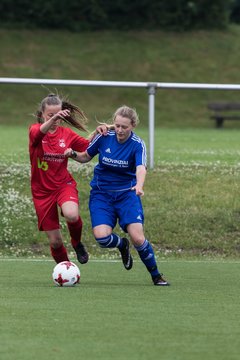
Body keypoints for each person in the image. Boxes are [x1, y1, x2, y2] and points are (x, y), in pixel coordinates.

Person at [64, 105, 170, 286]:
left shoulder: (137, 144)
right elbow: (85, 157)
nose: (120, 130)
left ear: (133, 126)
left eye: (125, 127)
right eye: (117, 126)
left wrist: (139, 185)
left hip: (127, 195)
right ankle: (122, 245)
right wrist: (72, 154)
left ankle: (156, 275)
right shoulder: (105, 137)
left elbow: (140, 168)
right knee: (102, 238)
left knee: (138, 237)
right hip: (101, 195)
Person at [29, 93, 108, 265]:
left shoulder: (66, 134)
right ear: (42, 114)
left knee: (72, 214)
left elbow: (88, 147)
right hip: (42, 192)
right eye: (51, 115)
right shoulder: (35, 130)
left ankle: (76, 243)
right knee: (55, 241)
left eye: (58, 115)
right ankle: (66, 269)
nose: (55, 119)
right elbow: (40, 132)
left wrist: (97, 132)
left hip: (63, 185)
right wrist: (53, 118)